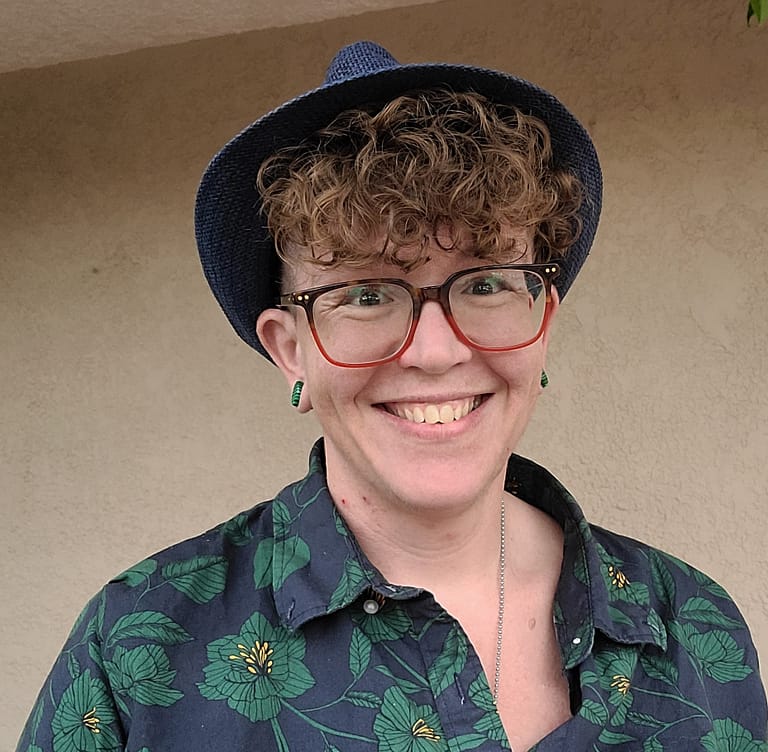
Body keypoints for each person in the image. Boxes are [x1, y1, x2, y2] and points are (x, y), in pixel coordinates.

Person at [17, 41, 766, 752]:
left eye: (486, 283)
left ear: (542, 321)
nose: (437, 351)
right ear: (291, 352)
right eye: (368, 293)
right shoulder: (140, 650)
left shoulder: (694, 629)